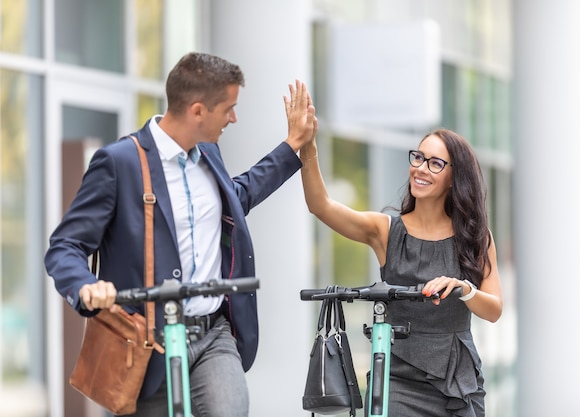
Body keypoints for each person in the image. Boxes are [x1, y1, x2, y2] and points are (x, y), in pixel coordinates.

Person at [45, 52, 316, 417]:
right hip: (146, 341)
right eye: (229, 108)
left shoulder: (208, 154)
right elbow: (66, 246)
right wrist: (84, 286)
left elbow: (237, 197)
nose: (234, 118)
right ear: (198, 111)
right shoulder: (119, 162)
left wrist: (292, 145)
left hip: (213, 334)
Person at [297, 127, 503, 416]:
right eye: (418, 158)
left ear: (454, 177)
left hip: (458, 379)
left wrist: (464, 289)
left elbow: (494, 310)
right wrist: (307, 146)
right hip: (397, 380)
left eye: (435, 163)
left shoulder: (476, 237)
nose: (421, 168)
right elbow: (320, 205)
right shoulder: (386, 231)